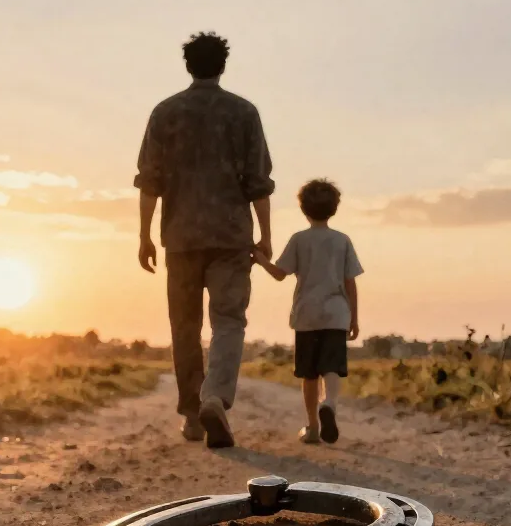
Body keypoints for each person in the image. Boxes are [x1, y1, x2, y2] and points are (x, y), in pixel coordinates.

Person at [134, 32, 275, 449]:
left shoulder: (165, 112)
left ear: (188, 65)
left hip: (179, 236)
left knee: (185, 326)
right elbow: (259, 183)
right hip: (231, 234)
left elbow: (149, 182)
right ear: (223, 65)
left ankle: (194, 417)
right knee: (228, 321)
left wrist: (144, 235)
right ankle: (215, 396)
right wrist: (266, 235)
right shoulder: (244, 112)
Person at [252, 179, 362, 444]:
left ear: (303, 208)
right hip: (336, 312)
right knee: (332, 367)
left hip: (306, 314)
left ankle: (312, 427)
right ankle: (331, 403)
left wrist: (260, 259)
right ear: (334, 207)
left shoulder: (299, 239)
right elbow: (350, 282)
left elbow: (280, 274)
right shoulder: (342, 240)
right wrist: (354, 317)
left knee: (309, 374)